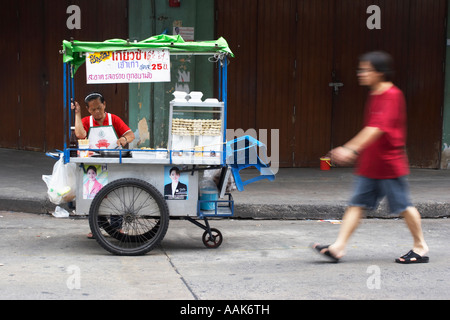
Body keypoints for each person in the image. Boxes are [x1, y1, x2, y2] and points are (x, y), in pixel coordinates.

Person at [312, 51, 429, 264]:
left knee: (403, 206)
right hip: (371, 163)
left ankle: (420, 246)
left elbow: (376, 128)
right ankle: (338, 248)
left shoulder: (392, 95)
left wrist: (350, 148)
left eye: (366, 70)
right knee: (356, 204)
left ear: (380, 73)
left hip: (388, 163)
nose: (361, 73)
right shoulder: (375, 94)